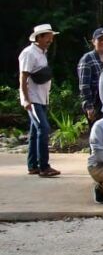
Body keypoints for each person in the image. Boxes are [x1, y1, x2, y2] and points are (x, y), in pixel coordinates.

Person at [20, 24, 60, 178]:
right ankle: (44, 166)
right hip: (34, 98)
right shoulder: (29, 53)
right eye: (47, 36)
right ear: (39, 37)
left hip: (42, 98)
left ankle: (33, 165)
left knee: (35, 131)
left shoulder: (42, 53)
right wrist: (26, 99)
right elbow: (23, 77)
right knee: (44, 129)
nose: (50, 39)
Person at [78, 27, 103, 125]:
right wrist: (89, 107)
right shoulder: (87, 59)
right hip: (96, 104)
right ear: (94, 42)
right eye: (100, 40)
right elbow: (84, 86)